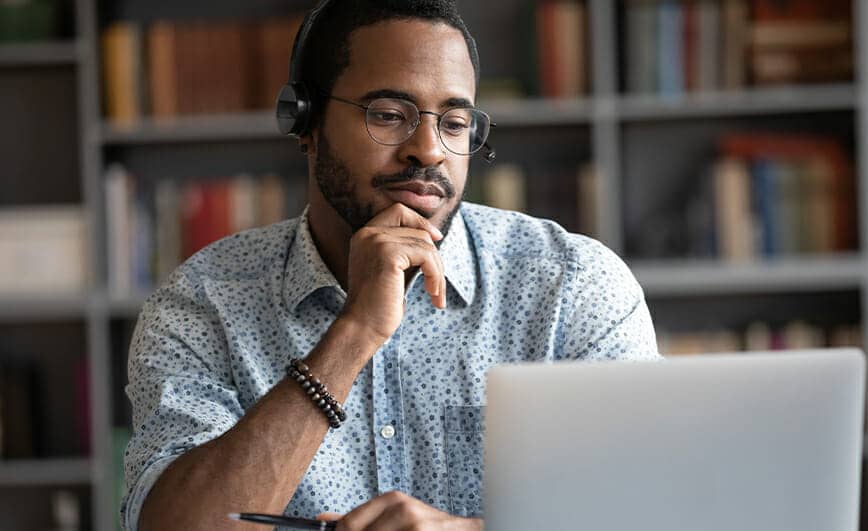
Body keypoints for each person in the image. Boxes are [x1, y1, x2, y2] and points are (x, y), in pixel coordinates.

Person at [122, 1, 660, 530]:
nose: (428, 150)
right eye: (388, 115)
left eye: (454, 122)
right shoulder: (203, 302)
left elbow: (655, 508)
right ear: (304, 123)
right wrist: (354, 332)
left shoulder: (573, 286)